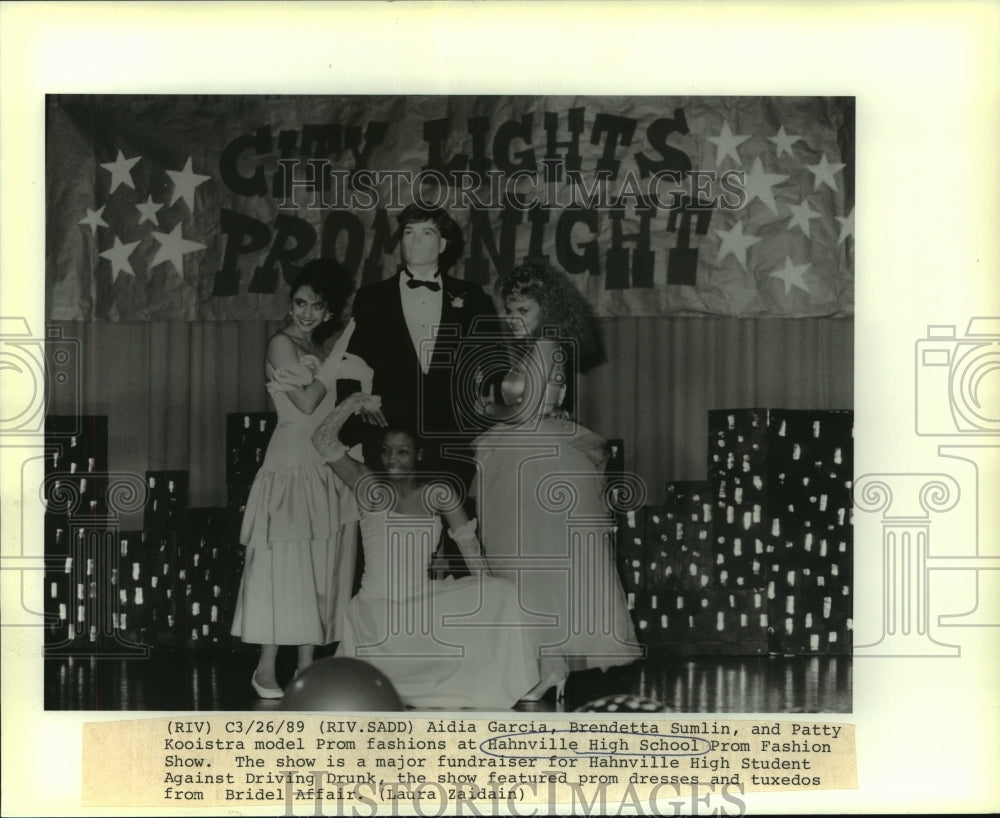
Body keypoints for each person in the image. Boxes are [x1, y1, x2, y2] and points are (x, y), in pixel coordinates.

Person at [472, 260, 643, 700]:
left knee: (534, 571)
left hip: (535, 461)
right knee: (529, 572)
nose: (514, 319)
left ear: (545, 310)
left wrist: (485, 406)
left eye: (523, 309)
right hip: (526, 459)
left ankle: (552, 666)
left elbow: (526, 411)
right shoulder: (537, 347)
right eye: (510, 309)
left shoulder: (545, 345)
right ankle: (551, 666)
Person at [310, 404, 542, 709]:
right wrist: (354, 401)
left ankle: (517, 679)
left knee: (503, 590)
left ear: (419, 455)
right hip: (377, 609)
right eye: (387, 451)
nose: (392, 458)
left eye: (403, 451)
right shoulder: (368, 486)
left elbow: (469, 549)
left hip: (421, 600)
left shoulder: (439, 493)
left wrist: (488, 600)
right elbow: (322, 440)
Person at [231, 260, 373, 699]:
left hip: (324, 462)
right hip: (290, 461)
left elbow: (332, 414)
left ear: (329, 312)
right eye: (300, 302)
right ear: (290, 303)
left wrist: (360, 400)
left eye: (316, 306)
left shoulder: (326, 352)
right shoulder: (280, 344)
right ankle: (266, 667)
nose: (306, 313)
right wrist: (342, 356)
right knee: (283, 566)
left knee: (321, 565)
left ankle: (308, 669)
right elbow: (309, 402)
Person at [346, 203, 499, 574]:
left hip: (452, 435)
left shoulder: (472, 296)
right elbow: (349, 364)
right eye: (409, 233)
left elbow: (494, 361)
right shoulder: (371, 297)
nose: (415, 241)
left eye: (427, 233)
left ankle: (465, 623)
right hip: (390, 438)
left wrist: (484, 407)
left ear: (444, 244)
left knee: (457, 536)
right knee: (392, 542)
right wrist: (357, 401)